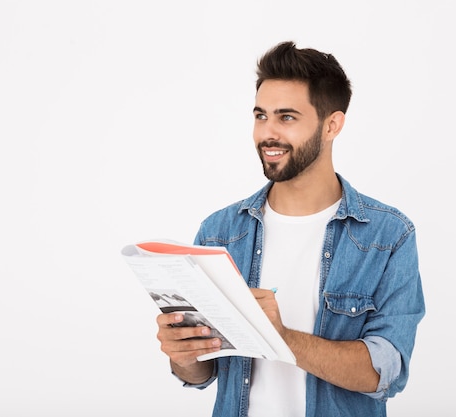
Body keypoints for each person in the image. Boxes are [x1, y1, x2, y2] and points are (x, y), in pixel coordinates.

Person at [155, 41, 425, 417]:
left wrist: (280, 339)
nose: (268, 134)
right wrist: (183, 354)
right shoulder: (219, 233)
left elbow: (385, 372)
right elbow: (205, 372)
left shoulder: (387, 236)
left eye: (286, 117)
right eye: (260, 115)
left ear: (332, 124)